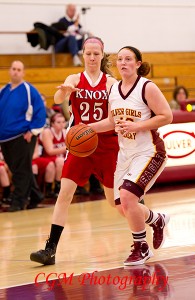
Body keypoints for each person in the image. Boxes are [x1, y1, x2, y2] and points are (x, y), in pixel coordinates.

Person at [30, 36, 119, 265]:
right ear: (82, 54)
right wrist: (66, 92)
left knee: (113, 200)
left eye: (95, 54)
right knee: (64, 194)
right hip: (80, 147)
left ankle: (146, 225)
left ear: (102, 55)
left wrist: (91, 128)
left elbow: (114, 118)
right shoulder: (74, 78)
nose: (91, 57)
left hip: (106, 145)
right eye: (88, 53)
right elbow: (58, 98)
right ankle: (50, 250)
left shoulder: (110, 83)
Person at [89, 46, 173, 265]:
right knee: (122, 206)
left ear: (137, 64)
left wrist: (138, 126)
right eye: (119, 59)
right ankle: (157, 220)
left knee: (128, 197)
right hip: (125, 154)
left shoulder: (147, 87)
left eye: (128, 59)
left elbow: (167, 116)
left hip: (150, 152)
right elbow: (110, 121)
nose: (123, 62)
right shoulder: (114, 90)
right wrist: (86, 128)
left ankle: (141, 247)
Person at [0, 61, 46, 212]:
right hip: (4, 138)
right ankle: (36, 195)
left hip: (22, 136)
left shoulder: (29, 90)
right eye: (13, 69)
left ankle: (19, 201)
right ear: (10, 71)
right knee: (19, 169)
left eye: (19, 69)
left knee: (20, 171)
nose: (15, 72)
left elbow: (40, 111)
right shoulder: (4, 91)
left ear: (23, 73)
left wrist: (32, 131)